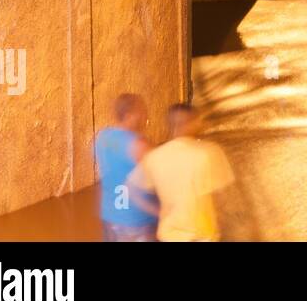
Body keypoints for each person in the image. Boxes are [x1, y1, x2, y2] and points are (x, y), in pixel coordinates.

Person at [126, 103, 235, 242]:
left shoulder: (155, 156)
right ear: (192, 123)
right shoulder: (208, 152)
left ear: (170, 125)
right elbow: (222, 198)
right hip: (203, 236)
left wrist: (158, 212)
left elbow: (131, 190)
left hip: (170, 235)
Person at [94, 93, 159, 242]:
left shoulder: (103, 137)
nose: (145, 116)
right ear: (129, 115)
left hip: (110, 216)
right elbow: (159, 177)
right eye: (141, 112)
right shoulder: (138, 145)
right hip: (137, 219)